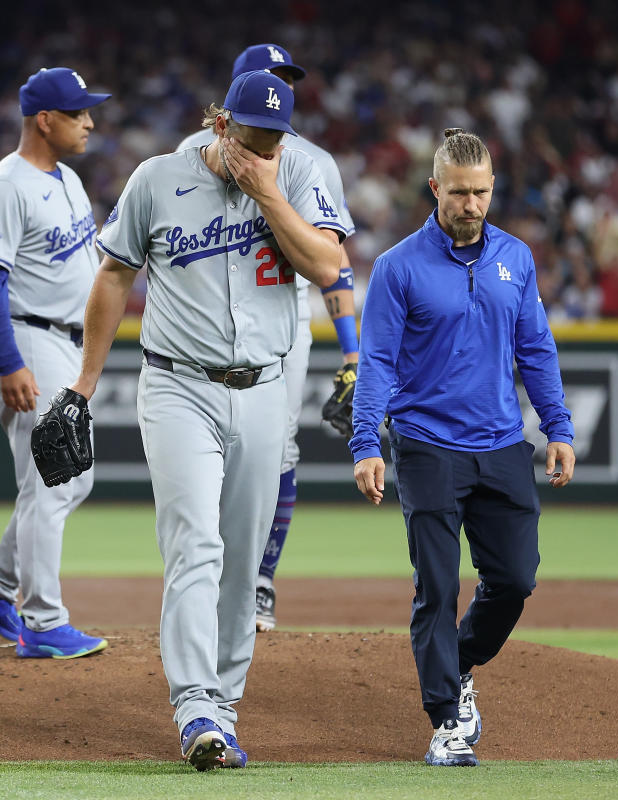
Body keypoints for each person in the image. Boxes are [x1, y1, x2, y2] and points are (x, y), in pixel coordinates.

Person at [66, 70, 344, 769]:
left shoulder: (295, 175)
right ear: (223, 125)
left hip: (264, 390)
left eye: (277, 137)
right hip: (178, 387)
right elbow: (113, 276)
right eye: (255, 136)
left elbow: (330, 263)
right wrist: (82, 388)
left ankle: (223, 706)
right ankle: (194, 706)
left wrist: (271, 196)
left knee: (243, 564)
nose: (268, 147)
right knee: (197, 545)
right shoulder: (158, 179)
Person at [350, 128, 576, 766]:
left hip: (503, 443)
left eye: (480, 193)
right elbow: (377, 364)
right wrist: (367, 442)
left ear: (492, 189)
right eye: (458, 193)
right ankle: (447, 720)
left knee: (515, 579)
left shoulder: (517, 258)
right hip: (425, 445)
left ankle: (463, 659)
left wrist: (557, 427)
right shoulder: (398, 267)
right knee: (437, 586)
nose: (470, 205)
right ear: (434, 189)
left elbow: (535, 347)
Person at [176, 44, 359, 631]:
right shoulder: (189, 156)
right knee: (205, 463)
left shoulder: (309, 162)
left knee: (276, 453)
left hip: (280, 329)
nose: (279, 88)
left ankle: (258, 582)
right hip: (203, 332)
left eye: (286, 80)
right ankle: (209, 580)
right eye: (267, 79)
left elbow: (336, 263)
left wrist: (352, 349)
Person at [0, 67, 110, 659]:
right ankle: (42, 622)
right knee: (53, 479)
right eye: (79, 113)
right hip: (27, 340)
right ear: (46, 120)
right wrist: (9, 359)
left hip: (66, 344)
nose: (90, 122)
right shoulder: (6, 185)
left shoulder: (68, 179)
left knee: (76, 478)